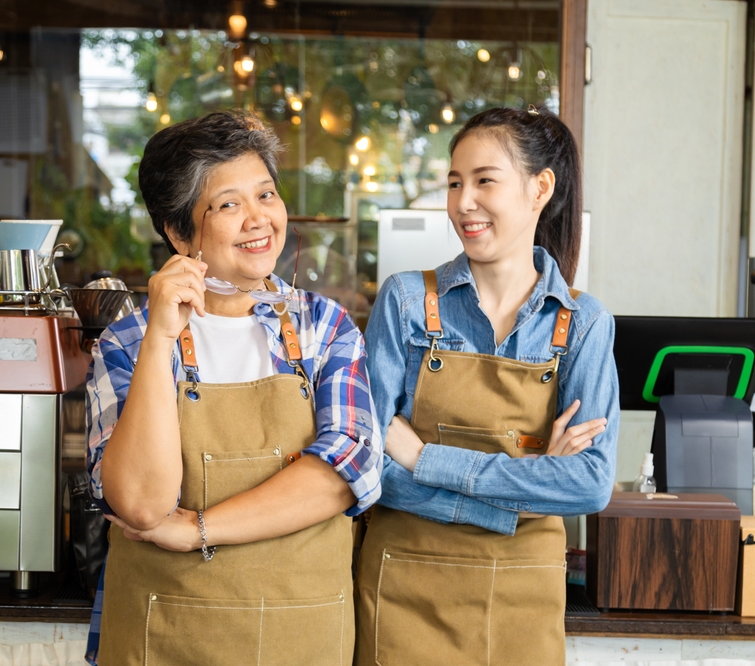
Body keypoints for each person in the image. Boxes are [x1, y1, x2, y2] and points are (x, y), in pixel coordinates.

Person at [84, 110, 382, 666]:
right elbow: (142, 505)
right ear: (178, 232)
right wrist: (159, 339)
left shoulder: (324, 329)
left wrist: (198, 529)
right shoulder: (125, 344)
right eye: (228, 205)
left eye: (266, 195)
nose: (258, 220)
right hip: (162, 636)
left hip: (302, 639)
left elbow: (345, 474)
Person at [354, 105, 619, 666]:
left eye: (483, 181)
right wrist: (518, 497)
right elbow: (366, 463)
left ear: (539, 188)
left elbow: (589, 486)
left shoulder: (584, 324)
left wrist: (425, 458)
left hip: (521, 598)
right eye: (454, 183)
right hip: (403, 590)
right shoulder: (404, 302)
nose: (463, 203)